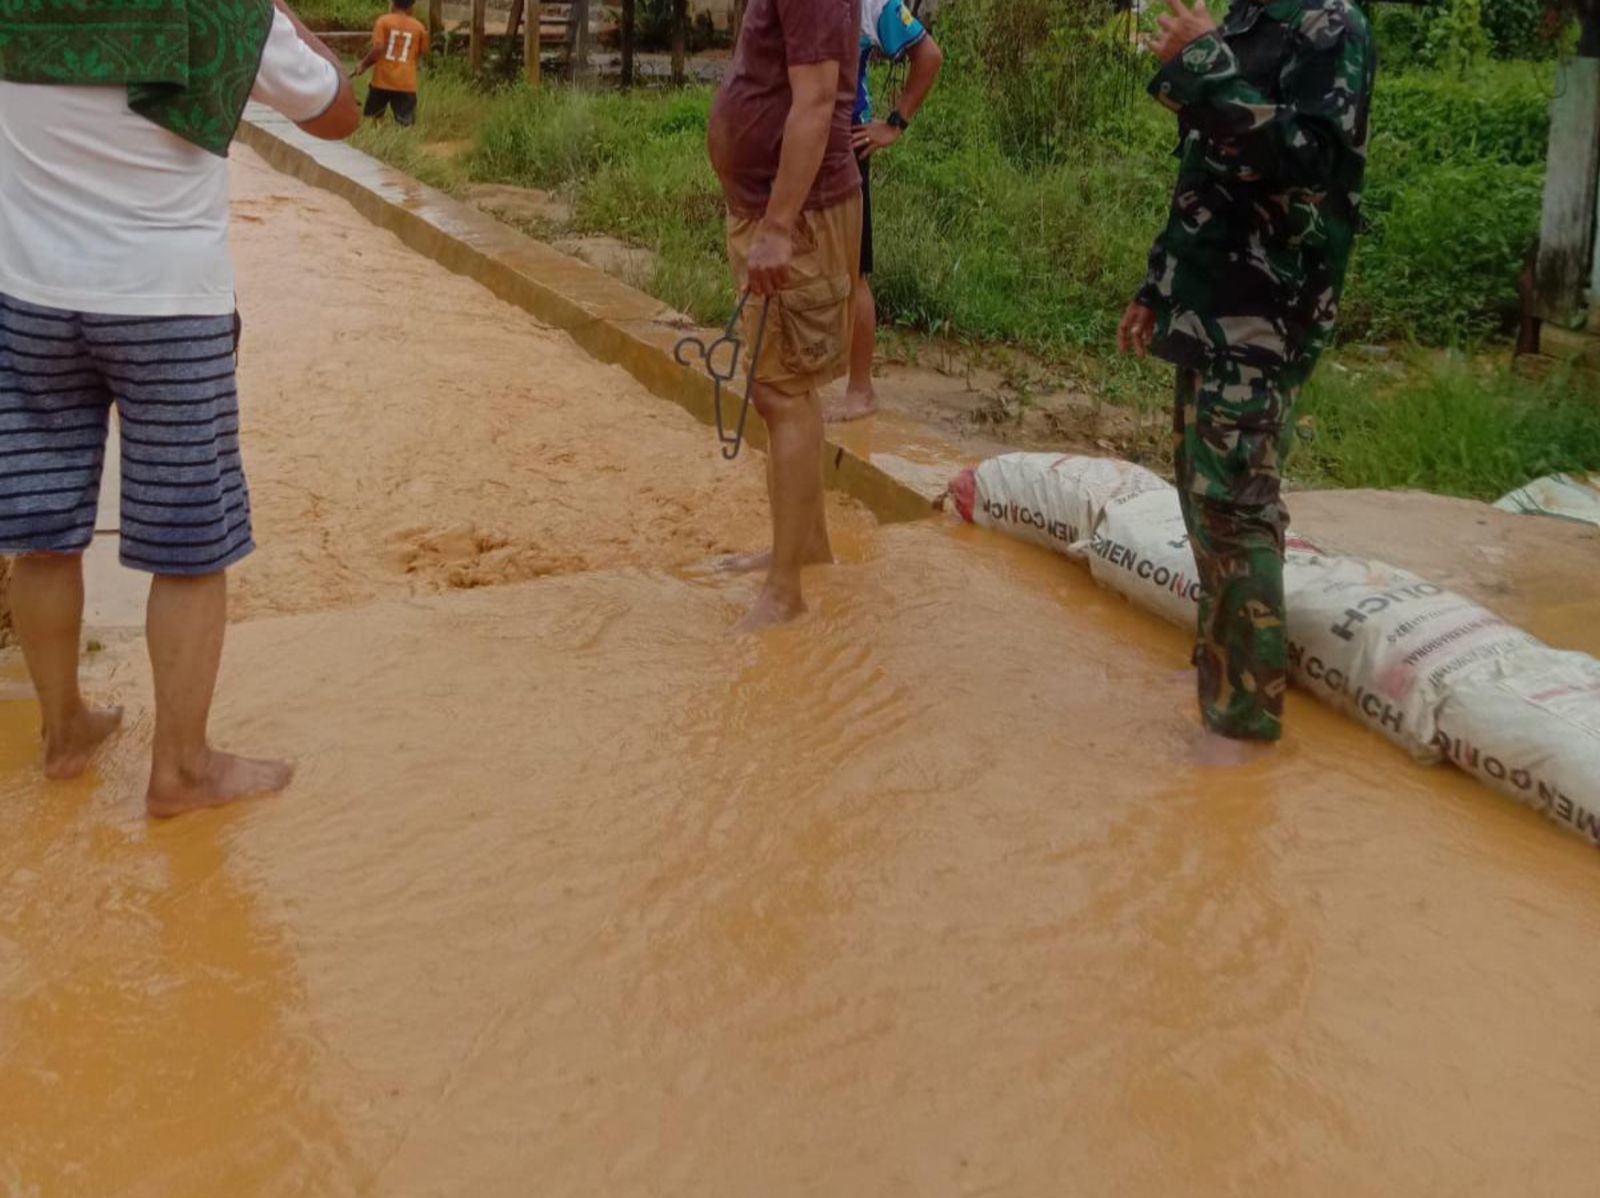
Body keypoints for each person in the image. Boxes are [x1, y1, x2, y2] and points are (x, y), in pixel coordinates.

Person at [0, 0, 359, 815]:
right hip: (168, 307)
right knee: (189, 546)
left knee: (44, 533)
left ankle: (64, 733)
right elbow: (337, 112)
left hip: (31, 296)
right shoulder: (222, 7)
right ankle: (183, 770)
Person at [1116, 0, 1374, 765]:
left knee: (1236, 503)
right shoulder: (1246, 18)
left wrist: (1203, 61)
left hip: (1271, 306)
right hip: (1210, 299)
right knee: (1204, 494)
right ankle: (1224, 667)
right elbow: (1206, 170)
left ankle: (1245, 726)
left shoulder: (1330, 24)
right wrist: (1157, 286)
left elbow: (1311, 159)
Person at [707, 0, 863, 632]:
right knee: (790, 385)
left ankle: (785, 592)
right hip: (775, 209)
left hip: (797, 219)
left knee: (781, 394)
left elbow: (817, 100)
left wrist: (777, 226)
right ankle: (805, 548)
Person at [829, 0, 943, 423]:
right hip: (795, 144)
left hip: (844, 149)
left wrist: (895, 123)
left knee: (853, 271)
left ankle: (861, 389)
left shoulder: (872, 4)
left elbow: (929, 55)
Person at [352, 0, 430, 128]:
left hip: (382, 79)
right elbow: (423, 51)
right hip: (406, 82)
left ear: (393, 3)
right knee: (406, 123)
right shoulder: (419, 27)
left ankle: (375, 136)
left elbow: (378, 48)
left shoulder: (383, 21)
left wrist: (364, 65)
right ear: (411, 6)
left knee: (373, 118)